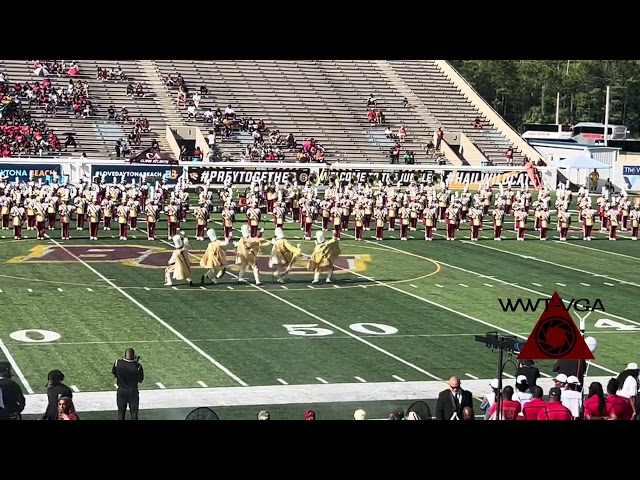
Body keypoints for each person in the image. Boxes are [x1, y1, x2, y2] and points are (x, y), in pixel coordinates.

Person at [111, 347, 144, 420]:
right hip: (133, 391)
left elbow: (115, 374)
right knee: (134, 413)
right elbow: (140, 380)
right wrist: (135, 363)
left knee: (121, 413)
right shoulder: (138, 367)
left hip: (121, 390)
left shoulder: (117, 363)